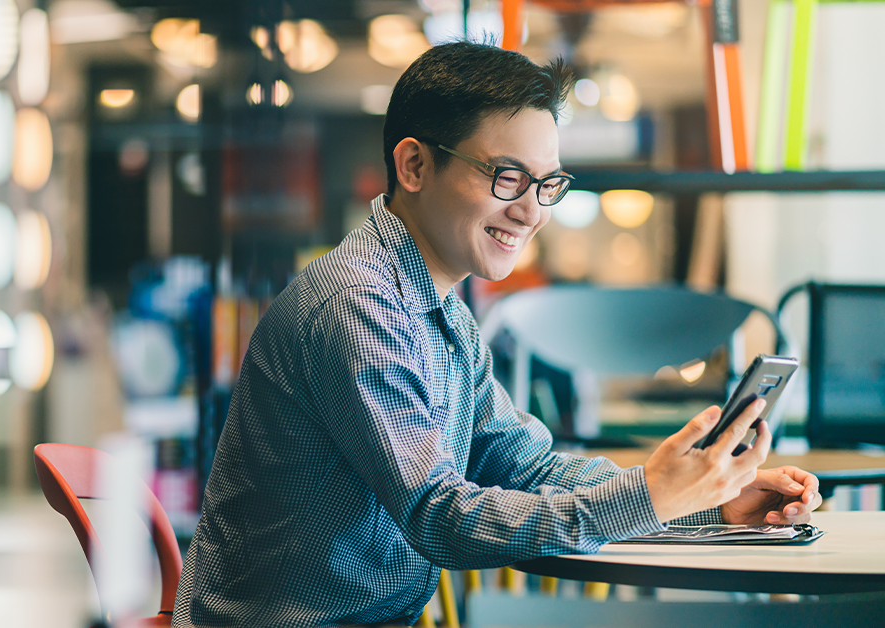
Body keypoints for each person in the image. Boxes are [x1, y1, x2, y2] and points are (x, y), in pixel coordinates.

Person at [171, 42, 821, 627]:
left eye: (547, 184)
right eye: (507, 177)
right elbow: (440, 518)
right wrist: (650, 497)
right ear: (415, 165)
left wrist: (708, 499)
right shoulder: (358, 308)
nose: (532, 210)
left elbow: (528, 466)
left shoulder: (441, 305)